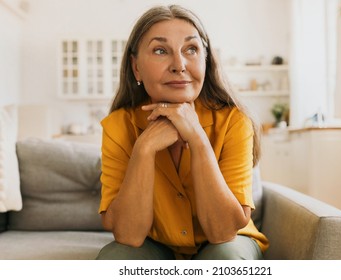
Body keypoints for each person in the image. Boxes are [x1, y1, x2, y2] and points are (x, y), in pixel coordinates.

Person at [96, 4, 269, 260]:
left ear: (205, 59)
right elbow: (128, 236)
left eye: (191, 49)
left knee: (226, 258)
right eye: (160, 50)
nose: (179, 65)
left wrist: (197, 138)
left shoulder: (234, 122)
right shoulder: (117, 126)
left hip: (227, 242)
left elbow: (223, 232)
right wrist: (144, 149)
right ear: (136, 68)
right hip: (155, 244)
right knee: (115, 258)